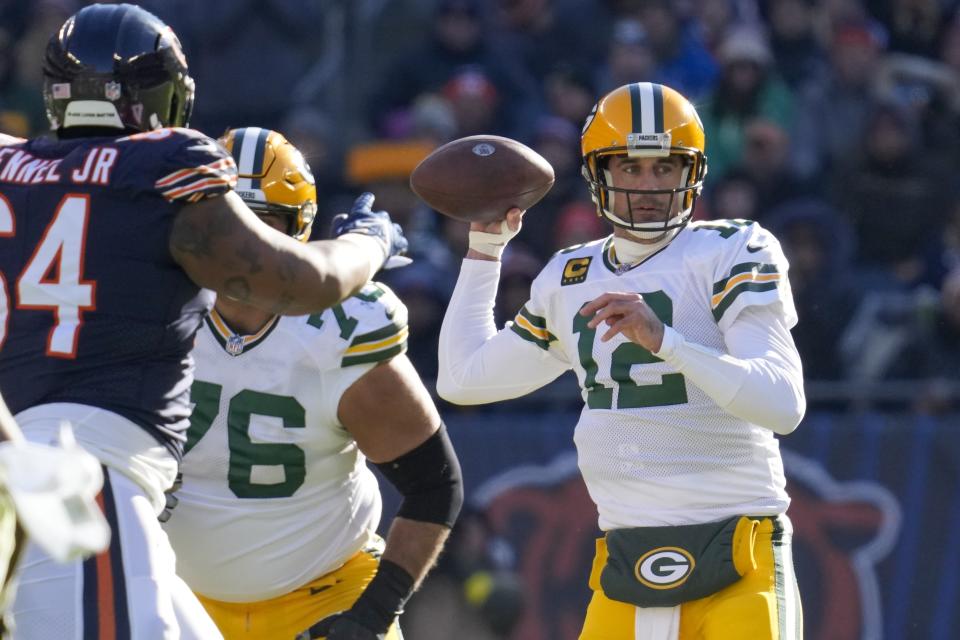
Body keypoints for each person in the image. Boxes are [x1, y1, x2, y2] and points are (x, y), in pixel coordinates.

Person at [0, 4, 408, 638]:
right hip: (85, 482)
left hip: (47, 474)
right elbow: (308, 284)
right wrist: (370, 243)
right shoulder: (162, 167)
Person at [438, 82, 806, 639]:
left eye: (665, 167)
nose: (648, 185)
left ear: (693, 173)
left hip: (739, 546)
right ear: (597, 174)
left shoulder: (732, 249)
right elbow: (462, 380)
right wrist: (485, 252)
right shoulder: (570, 274)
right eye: (630, 167)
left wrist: (668, 343)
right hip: (626, 556)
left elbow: (782, 404)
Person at [162, 128, 462, 640]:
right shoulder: (153, 311)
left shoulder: (341, 330)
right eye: (229, 222)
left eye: (263, 223)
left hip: (326, 590)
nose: (244, 247)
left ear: (297, 231)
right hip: (173, 596)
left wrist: (373, 614)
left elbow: (435, 486)